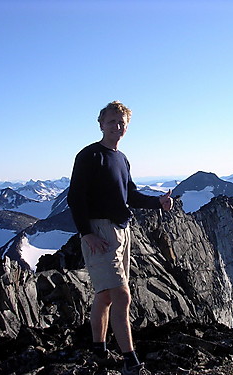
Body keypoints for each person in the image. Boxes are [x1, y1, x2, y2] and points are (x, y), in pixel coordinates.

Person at [67, 100, 173, 375]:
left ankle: (99, 349)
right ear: (101, 124)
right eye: (112, 121)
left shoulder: (121, 158)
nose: (117, 126)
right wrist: (86, 233)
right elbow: (75, 197)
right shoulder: (89, 156)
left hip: (122, 232)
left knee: (105, 296)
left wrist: (158, 203)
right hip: (100, 232)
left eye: (121, 122)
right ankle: (130, 360)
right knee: (122, 295)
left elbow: (130, 195)